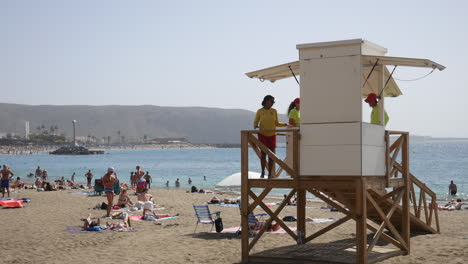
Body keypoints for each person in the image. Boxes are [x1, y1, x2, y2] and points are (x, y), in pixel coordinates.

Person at [253, 95, 288, 178]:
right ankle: (262, 172)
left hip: (272, 134)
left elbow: (277, 123)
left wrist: (286, 124)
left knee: (271, 155)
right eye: (271, 101)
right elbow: (255, 122)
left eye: (273, 102)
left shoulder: (274, 111)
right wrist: (255, 126)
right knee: (263, 154)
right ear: (266, 101)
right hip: (262, 135)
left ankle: (270, 174)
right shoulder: (260, 111)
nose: (273, 103)